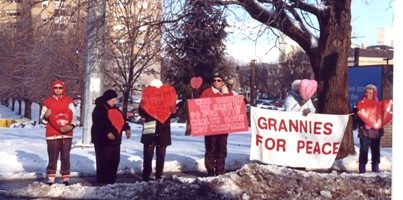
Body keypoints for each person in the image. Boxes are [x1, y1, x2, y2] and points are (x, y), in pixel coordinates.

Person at [138, 79, 177, 182]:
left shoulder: (168, 97)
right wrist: (142, 107)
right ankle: (152, 174)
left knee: (151, 151)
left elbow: (173, 114)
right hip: (156, 126)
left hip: (158, 126)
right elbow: (142, 113)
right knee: (155, 152)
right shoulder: (147, 96)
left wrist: (173, 110)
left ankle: (151, 175)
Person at [91, 89, 131, 185]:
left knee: (114, 160)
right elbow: (99, 123)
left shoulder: (116, 109)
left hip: (115, 140)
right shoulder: (99, 109)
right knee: (103, 160)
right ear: (107, 100)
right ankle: (103, 181)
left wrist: (127, 129)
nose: (115, 102)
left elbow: (121, 120)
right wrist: (107, 132)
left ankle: (111, 180)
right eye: (113, 100)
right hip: (102, 141)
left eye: (115, 100)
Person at [40, 80, 76, 186]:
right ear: (52, 89)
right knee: (53, 156)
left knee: (65, 156)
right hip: (52, 134)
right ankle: (51, 178)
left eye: (60, 87)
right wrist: (45, 116)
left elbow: (73, 116)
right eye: (56, 87)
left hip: (67, 134)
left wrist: (71, 126)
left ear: (63, 89)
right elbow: (43, 120)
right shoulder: (47, 102)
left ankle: (65, 178)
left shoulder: (69, 101)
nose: (58, 90)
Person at [200, 72, 234, 176]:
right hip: (210, 126)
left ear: (223, 82)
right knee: (210, 149)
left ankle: (220, 171)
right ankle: (210, 170)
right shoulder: (206, 92)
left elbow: (234, 108)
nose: (216, 82)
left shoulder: (229, 93)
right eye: (214, 80)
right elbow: (200, 107)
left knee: (222, 149)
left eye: (219, 80)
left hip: (223, 127)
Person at [354, 84, 384, 173]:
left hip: (375, 132)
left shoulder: (378, 105)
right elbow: (357, 118)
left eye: (370, 93)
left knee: (375, 151)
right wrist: (356, 113)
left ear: (374, 94)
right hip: (364, 132)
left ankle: (375, 170)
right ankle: (362, 170)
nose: (368, 95)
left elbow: (381, 118)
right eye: (366, 93)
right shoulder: (360, 104)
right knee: (363, 150)